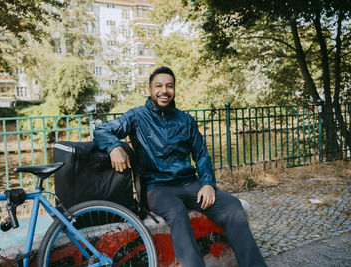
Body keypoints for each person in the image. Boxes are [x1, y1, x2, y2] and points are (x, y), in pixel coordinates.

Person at [94, 66, 267, 267]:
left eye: (169, 86)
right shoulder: (136, 116)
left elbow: (201, 154)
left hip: (189, 184)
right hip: (157, 188)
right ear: (150, 90)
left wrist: (208, 184)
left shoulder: (185, 120)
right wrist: (114, 146)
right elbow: (101, 131)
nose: (164, 90)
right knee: (177, 213)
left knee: (232, 206)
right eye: (158, 86)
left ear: (174, 90)